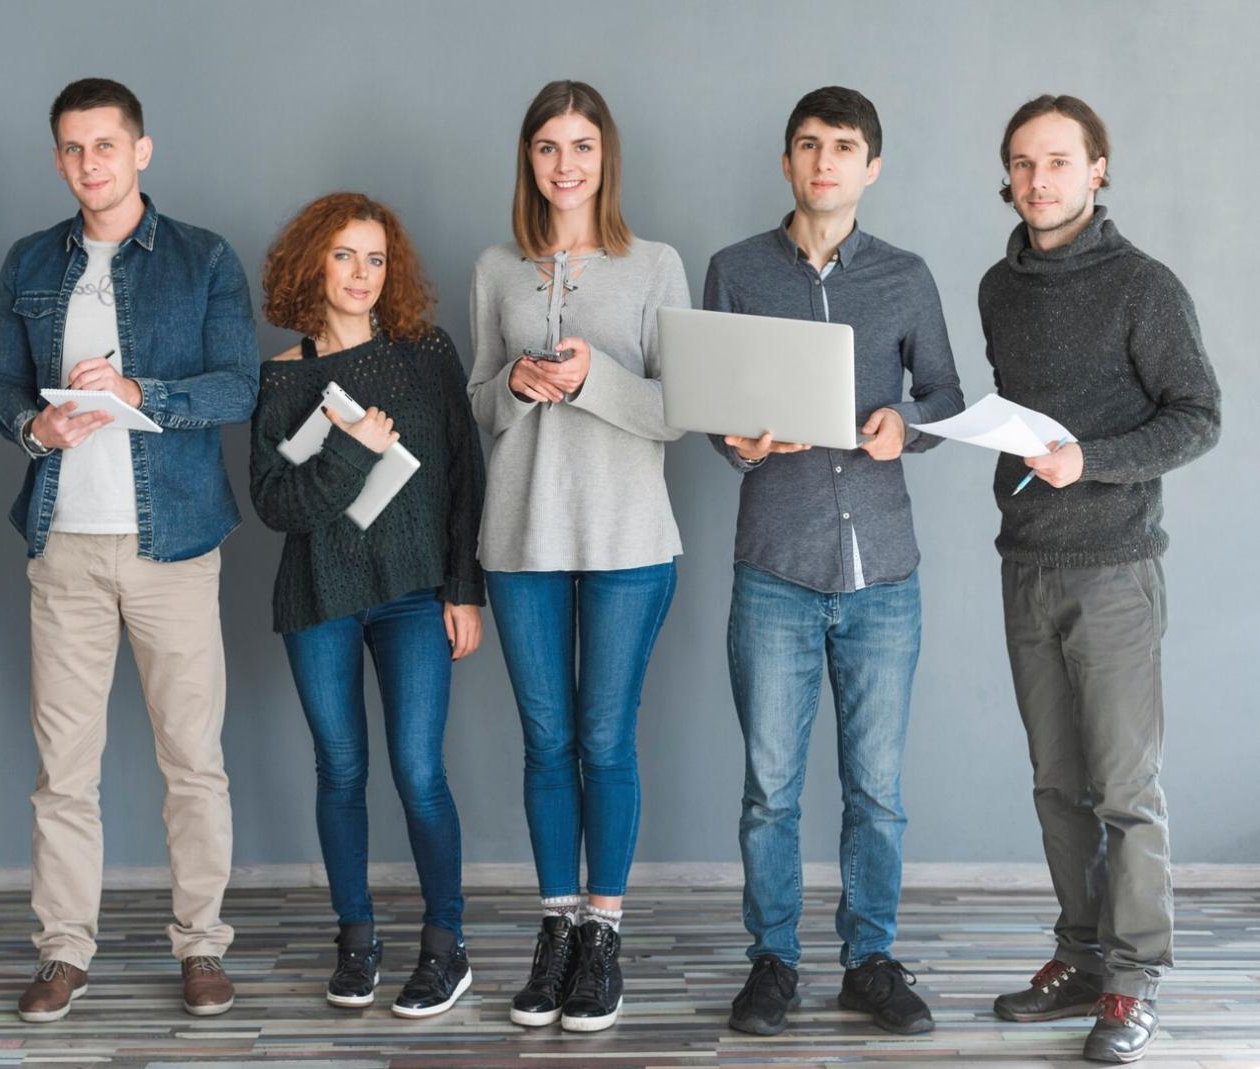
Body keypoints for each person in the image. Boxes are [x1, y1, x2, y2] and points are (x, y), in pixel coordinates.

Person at [0, 77, 258, 1024]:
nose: (87, 163)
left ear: (141, 150)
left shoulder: (202, 257)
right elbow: (1, 386)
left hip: (172, 545)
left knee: (193, 760)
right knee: (63, 771)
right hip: (63, 545)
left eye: (104, 145)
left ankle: (202, 944)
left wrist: (141, 393)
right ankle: (63, 951)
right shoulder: (29, 260)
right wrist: (35, 429)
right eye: (71, 148)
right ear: (57, 157)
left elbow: (239, 387)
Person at [702, 86, 963, 1038]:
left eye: (842, 146)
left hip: (882, 571)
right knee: (768, 791)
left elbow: (945, 394)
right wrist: (736, 442)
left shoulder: (905, 276)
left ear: (870, 167)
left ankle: (870, 961)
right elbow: (710, 405)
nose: (823, 161)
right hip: (773, 565)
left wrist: (908, 424)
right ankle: (771, 960)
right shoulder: (734, 271)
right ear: (786, 163)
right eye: (808, 145)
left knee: (876, 794)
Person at [980, 94, 1219, 1064]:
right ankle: (1079, 956)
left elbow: (1197, 414)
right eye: (1022, 163)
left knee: (1124, 789)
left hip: (1115, 569)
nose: (1038, 180)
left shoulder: (1142, 285)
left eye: (1057, 161)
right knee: (1056, 787)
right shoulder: (997, 288)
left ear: (1096, 169)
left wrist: (1092, 460)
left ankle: (1132, 980)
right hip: (1025, 562)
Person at [467, 79, 688, 1034]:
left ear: (606, 157)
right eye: (549, 146)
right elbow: (476, 403)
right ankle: (555, 926)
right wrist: (515, 384)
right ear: (529, 158)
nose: (566, 164)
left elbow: (677, 412)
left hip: (628, 539)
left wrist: (595, 376)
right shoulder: (495, 268)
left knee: (604, 740)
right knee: (546, 740)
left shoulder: (654, 265)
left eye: (582, 146)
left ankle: (603, 932)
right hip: (520, 538)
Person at [249, 191, 487, 1018]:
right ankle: (356, 940)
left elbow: (462, 475)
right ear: (312, 262)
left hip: (415, 593)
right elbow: (276, 504)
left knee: (419, 771)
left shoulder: (425, 352)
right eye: (344, 255)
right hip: (318, 594)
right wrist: (351, 451)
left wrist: (464, 589)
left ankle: (446, 944)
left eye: (376, 258)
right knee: (340, 769)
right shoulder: (283, 375)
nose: (361, 274)